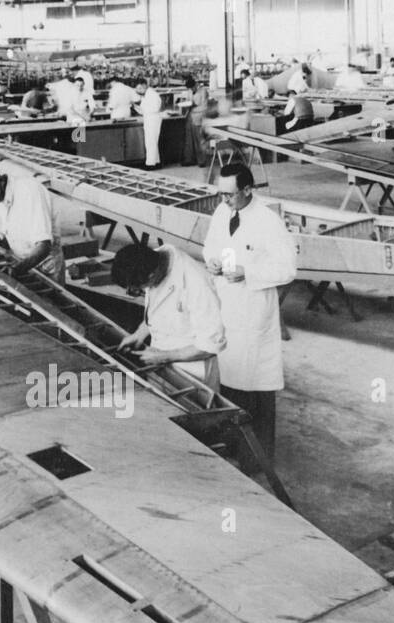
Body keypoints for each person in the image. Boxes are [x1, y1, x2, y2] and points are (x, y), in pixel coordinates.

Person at [202, 163, 299, 469]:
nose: (224, 199)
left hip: (254, 309)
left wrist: (249, 272)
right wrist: (213, 262)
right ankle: (234, 446)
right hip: (228, 305)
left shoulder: (268, 221)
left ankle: (257, 458)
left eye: (230, 194)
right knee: (230, 381)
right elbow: (210, 246)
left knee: (256, 388)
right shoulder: (222, 211)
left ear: (247, 190)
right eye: (221, 193)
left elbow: (287, 270)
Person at [110, 241, 227, 393]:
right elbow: (160, 310)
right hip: (159, 360)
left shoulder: (196, 282)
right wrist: (139, 334)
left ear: (151, 276)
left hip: (192, 372)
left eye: (138, 288)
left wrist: (166, 356)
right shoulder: (151, 261)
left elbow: (210, 346)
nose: (141, 291)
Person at [0, 161, 62, 279]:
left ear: (1, 181)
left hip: (45, 264)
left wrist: (17, 269)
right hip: (21, 261)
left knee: (49, 297)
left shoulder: (29, 191)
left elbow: (44, 246)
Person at [182, 78, 209, 168]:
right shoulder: (190, 91)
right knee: (189, 139)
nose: (191, 90)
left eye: (192, 88)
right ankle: (189, 159)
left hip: (199, 116)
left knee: (199, 139)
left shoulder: (203, 91)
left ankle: (202, 160)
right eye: (190, 88)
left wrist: (193, 106)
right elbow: (188, 101)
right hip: (190, 116)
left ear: (196, 84)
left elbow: (204, 107)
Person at [136, 77, 163, 169]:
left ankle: (150, 164)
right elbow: (143, 110)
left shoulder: (152, 94)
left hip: (153, 119)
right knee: (152, 142)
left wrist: (142, 109)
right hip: (149, 119)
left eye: (140, 88)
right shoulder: (147, 95)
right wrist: (135, 107)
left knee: (151, 142)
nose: (139, 91)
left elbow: (155, 108)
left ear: (144, 85)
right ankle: (156, 161)